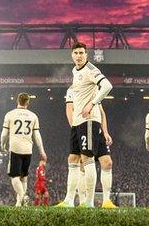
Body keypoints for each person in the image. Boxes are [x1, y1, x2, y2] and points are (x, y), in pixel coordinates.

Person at [56, 42, 114, 208]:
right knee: (73, 158)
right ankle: (68, 200)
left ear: (86, 55)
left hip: (89, 121)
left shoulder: (90, 69)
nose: (79, 56)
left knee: (87, 159)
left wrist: (92, 103)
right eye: (76, 53)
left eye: (82, 53)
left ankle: (88, 202)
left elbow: (107, 86)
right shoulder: (75, 71)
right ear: (72, 55)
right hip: (78, 122)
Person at [0, 93, 47, 206]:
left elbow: (4, 133)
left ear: (17, 101)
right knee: (24, 178)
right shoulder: (33, 116)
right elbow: (37, 136)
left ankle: (23, 196)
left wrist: (2, 144)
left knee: (14, 176)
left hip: (15, 148)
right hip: (28, 149)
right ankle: (19, 203)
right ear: (28, 102)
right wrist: (42, 151)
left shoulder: (10, 114)